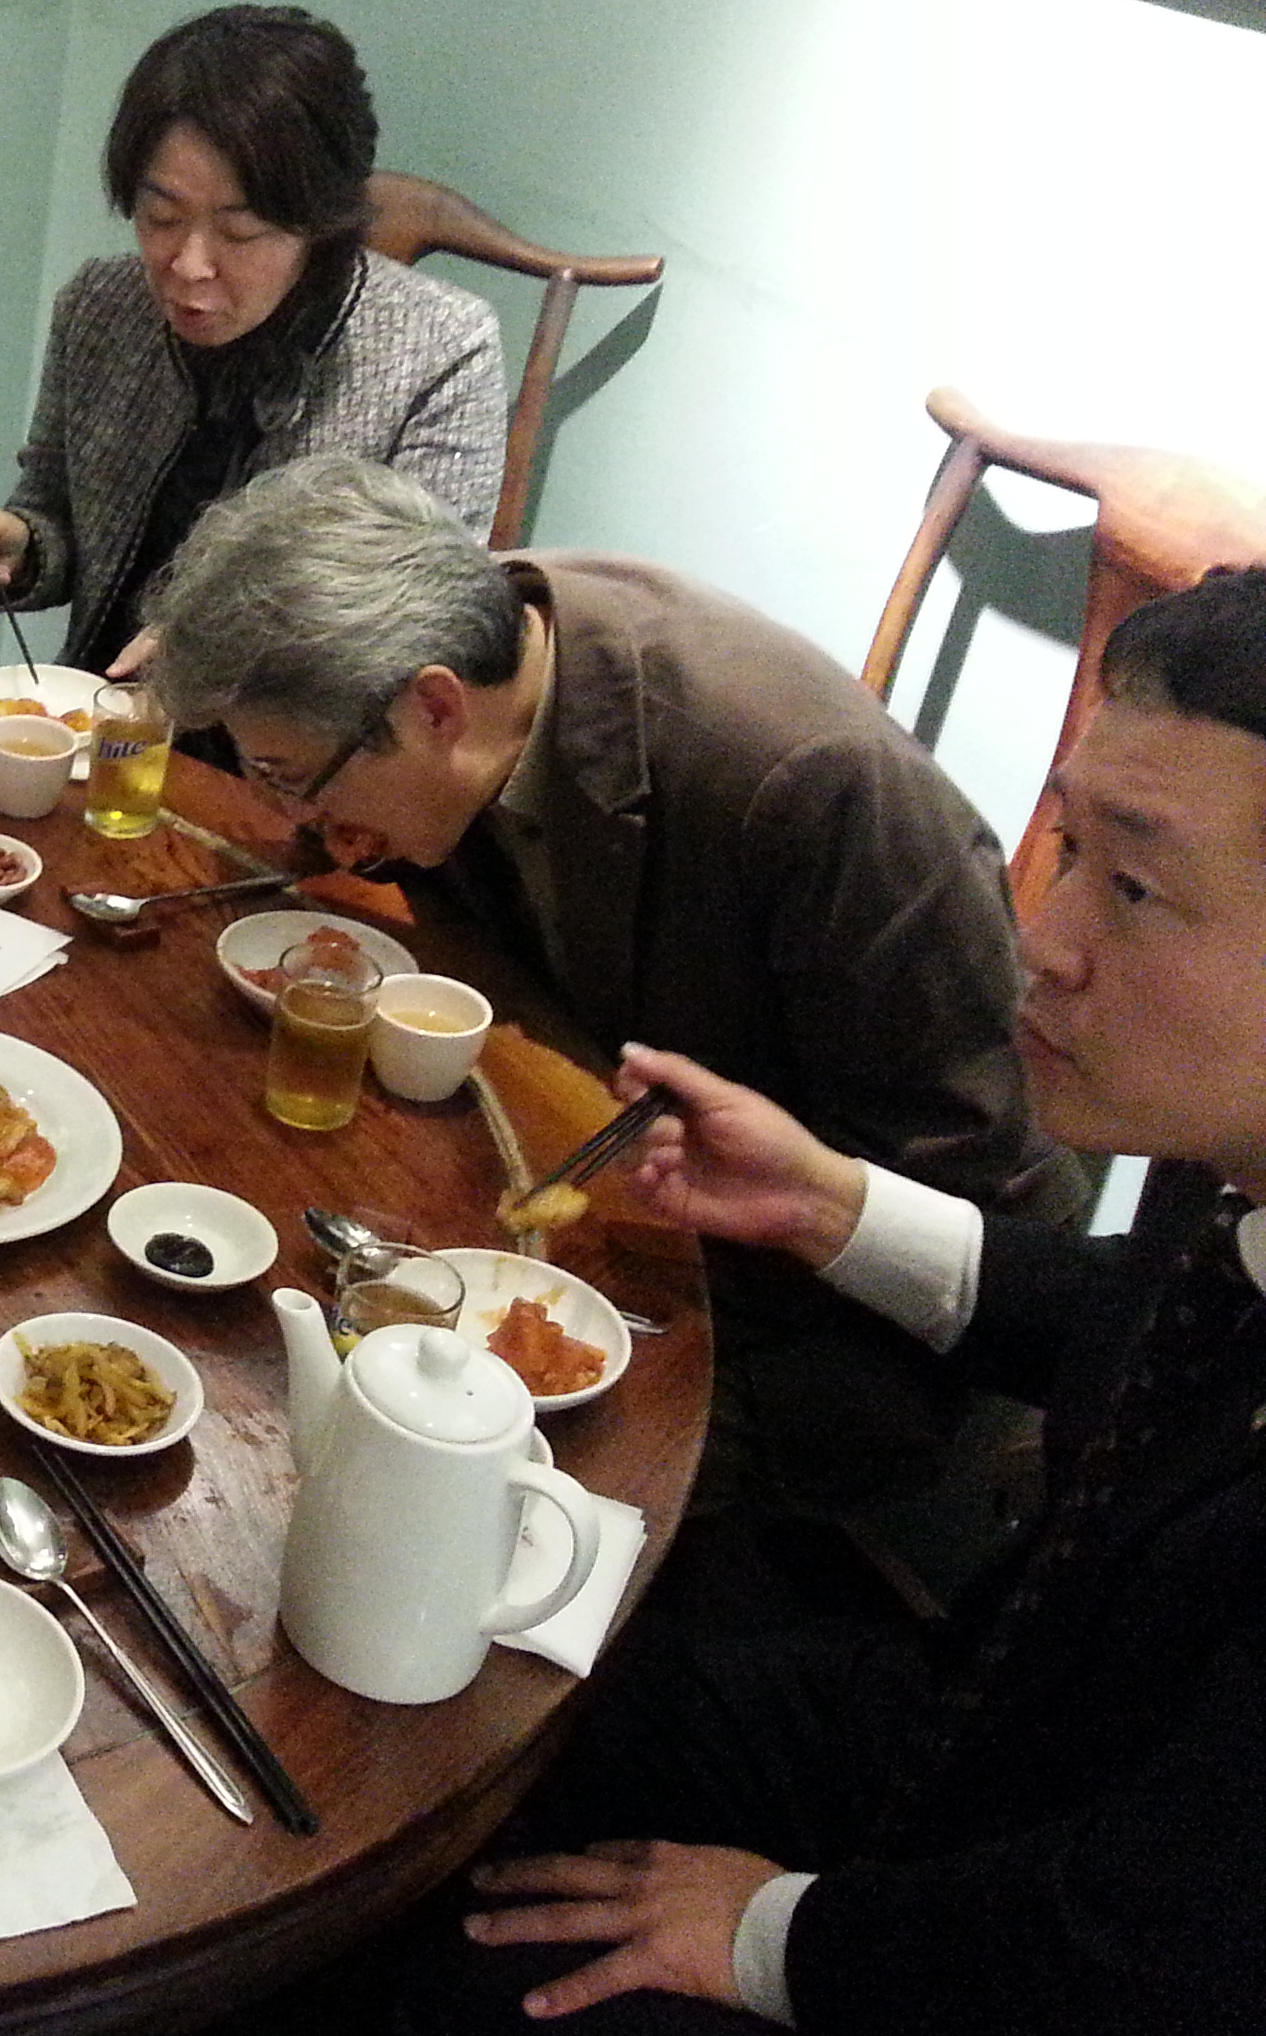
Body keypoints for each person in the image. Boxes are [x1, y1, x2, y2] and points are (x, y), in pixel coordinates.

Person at [438, 564, 1266, 2034]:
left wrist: (769, 1937)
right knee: (492, 1711)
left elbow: (1152, 1951)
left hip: (1055, 1932)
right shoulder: (1227, 1166)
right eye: (1070, 848)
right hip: (973, 1719)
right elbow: (1148, 1328)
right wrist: (832, 1207)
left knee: (487, 1983)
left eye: (1135, 888)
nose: (1046, 940)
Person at [141, 457, 1089, 1506]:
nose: (291, 817)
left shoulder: (810, 788)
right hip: (602, 1164)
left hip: (811, 1314)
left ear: (436, 711)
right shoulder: (482, 640)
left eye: (288, 777)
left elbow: (972, 1181)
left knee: (368, 1474)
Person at [0, 6, 502, 678]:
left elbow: (426, 622)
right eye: (160, 217)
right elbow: (56, 512)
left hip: (297, 734)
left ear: (319, 224)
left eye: (240, 232)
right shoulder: (99, 307)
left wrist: (222, 643)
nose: (189, 264)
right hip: (98, 709)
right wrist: (22, 549)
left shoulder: (442, 350)